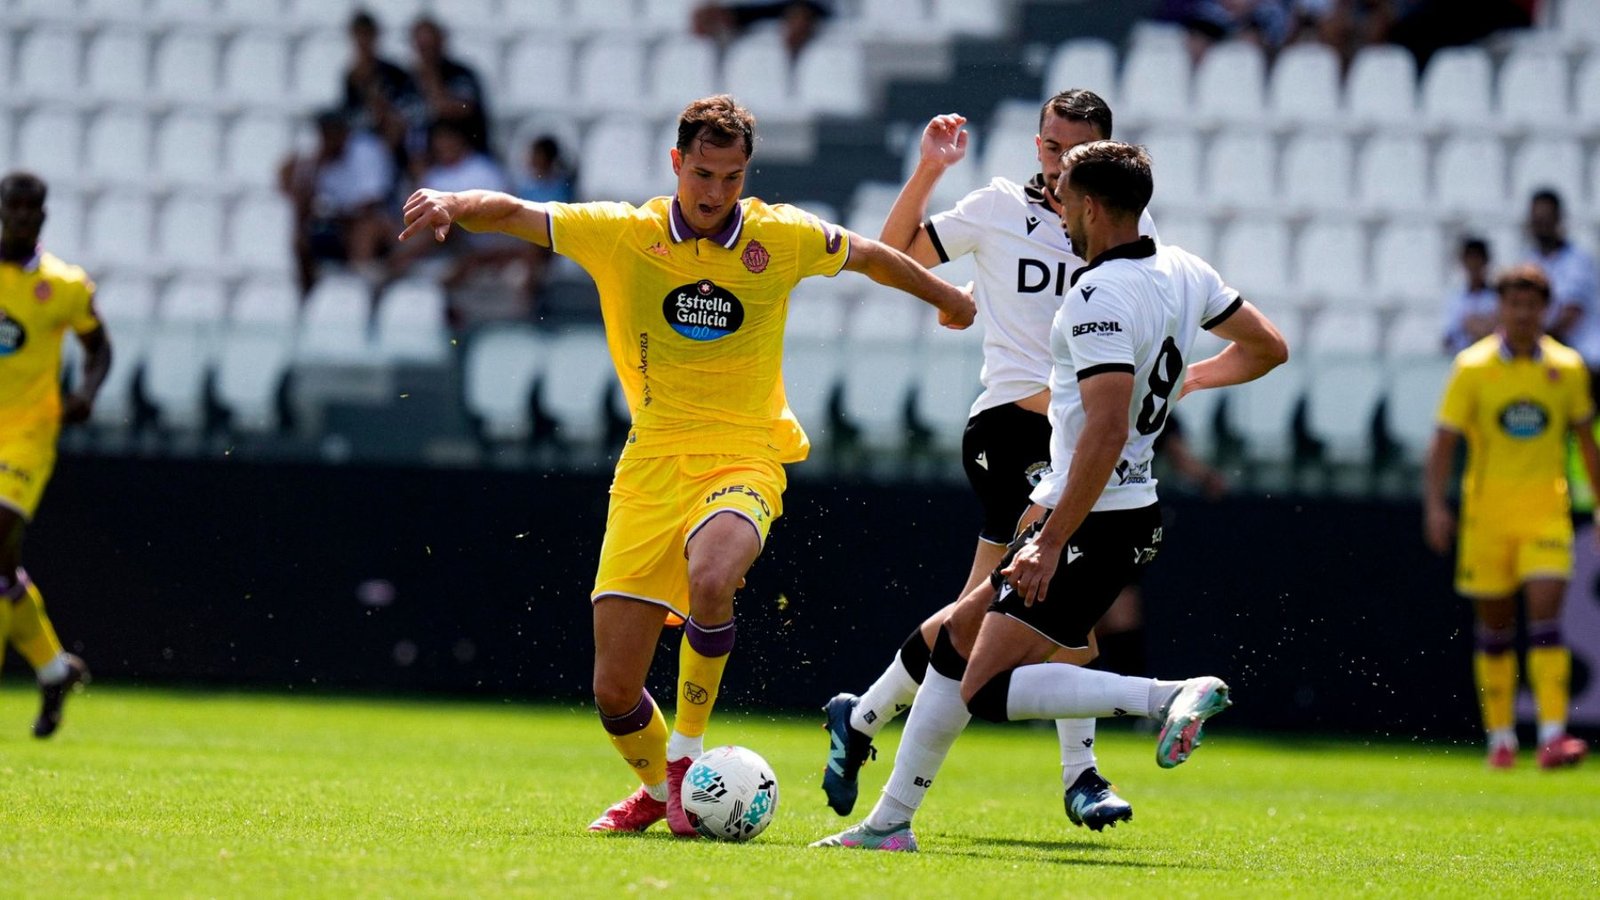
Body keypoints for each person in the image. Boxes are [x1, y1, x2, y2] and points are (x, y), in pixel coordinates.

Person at [395, 95, 975, 837]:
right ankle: (661, 788)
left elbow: (866, 253)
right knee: (613, 689)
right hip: (650, 465)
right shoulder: (625, 234)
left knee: (712, 574)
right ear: (677, 163)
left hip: (746, 454)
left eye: (732, 177)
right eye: (703, 173)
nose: (715, 192)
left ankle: (686, 761)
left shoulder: (779, 235)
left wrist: (948, 296)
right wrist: (452, 200)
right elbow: (515, 213)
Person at [814, 140, 1288, 852]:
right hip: (1123, 508)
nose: (1057, 209)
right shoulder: (1188, 268)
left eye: (1064, 197)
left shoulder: (1098, 295)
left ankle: (1167, 696)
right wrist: (1190, 380)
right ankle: (889, 825)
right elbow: (1268, 347)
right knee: (957, 642)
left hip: (1092, 514)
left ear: (1090, 206)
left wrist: (1054, 539)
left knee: (986, 687)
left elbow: (1101, 428)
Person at [820, 90, 1162, 832]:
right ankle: (1082, 776)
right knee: (1056, 617)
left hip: (1074, 443)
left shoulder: (1123, 227)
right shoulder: (1000, 206)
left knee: (989, 613)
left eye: (1072, 149)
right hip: (1011, 428)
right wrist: (928, 173)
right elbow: (892, 255)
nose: (1055, 161)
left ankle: (864, 714)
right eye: (1047, 145)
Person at [1423, 263, 1595, 770]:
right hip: (1487, 517)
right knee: (1495, 629)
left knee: (1546, 620)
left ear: (1545, 310)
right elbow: (1443, 442)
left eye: (1531, 305)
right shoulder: (1473, 367)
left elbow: (1587, 443)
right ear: (1501, 308)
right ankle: (1500, 739)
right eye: (1513, 304)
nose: (1522, 314)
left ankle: (1553, 736)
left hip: (1546, 513)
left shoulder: (1568, 368)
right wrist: (1436, 504)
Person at [0, 172, 109, 738]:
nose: (20, 218)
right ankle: (51, 668)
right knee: (3, 568)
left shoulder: (63, 285)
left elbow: (98, 347)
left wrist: (86, 394)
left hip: (26, 434)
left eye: (30, 210)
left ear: (42, 217)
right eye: (11, 209)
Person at [279, 109, 396, 293]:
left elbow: (372, 202)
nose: (327, 139)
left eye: (331, 133)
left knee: (364, 230)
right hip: (335, 222)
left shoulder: (366, 151)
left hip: (372, 221)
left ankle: (364, 292)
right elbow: (300, 200)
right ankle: (307, 294)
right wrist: (314, 170)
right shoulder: (319, 160)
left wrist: (338, 214)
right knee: (300, 240)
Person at [1523, 190, 1600, 380]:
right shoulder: (1528, 260)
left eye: (1546, 220)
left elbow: (1569, 315)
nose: (1540, 226)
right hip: (1548, 360)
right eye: (1536, 220)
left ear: (1558, 220)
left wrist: (1528, 340)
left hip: (1585, 361)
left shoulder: (1578, 261)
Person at [342, 9, 418, 169]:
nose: (363, 41)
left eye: (367, 35)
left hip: (397, 143)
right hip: (366, 143)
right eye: (359, 35)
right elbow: (350, 117)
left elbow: (408, 112)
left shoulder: (394, 73)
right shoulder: (351, 77)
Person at [408, 16, 490, 157]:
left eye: (430, 46)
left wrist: (431, 77)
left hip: (466, 160)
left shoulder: (460, 74)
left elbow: (456, 109)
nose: (426, 53)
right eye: (422, 47)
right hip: (425, 162)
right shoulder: (409, 80)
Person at [1443, 236, 1497, 355]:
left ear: (1486, 261)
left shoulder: (1498, 297)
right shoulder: (1455, 299)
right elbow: (1447, 338)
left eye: (1478, 258)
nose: (1474, 263)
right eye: (1470, 258)